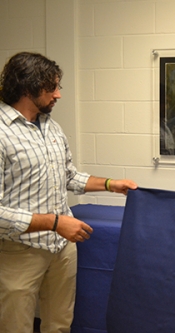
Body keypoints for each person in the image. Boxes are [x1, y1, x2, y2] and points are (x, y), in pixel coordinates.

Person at [0, 52, 138, 333]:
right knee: (15, 327)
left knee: (60, 325)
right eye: (52, 87)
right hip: (18, 252)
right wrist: (54, 222)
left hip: (62, 249)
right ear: (28, 87)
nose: (58, 95)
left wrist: (112, 184)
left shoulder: (51, 127)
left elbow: (69, 176)